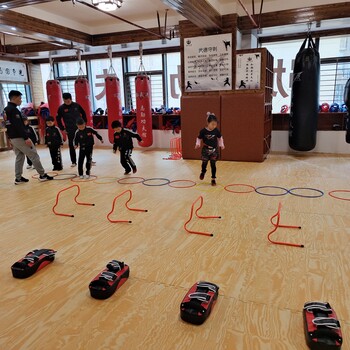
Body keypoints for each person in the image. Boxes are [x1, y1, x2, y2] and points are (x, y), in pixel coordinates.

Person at [4, 90, 53, 184]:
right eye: (19, 98)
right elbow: (18, 125)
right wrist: (26, 138)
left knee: (20, 156)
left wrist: (10, 138)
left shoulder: (6, 109)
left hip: (13, 138)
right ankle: (42, 175)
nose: (21, 100)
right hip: (19, 137)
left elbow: (8, 125)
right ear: (14, 98)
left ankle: (18, 178)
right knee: (33, 155)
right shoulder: (13, 110)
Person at [56, 92, 87, 167]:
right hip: (70, 129)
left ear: (71, 99)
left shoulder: (76, 105)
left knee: (85, 143)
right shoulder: (61, 108)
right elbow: (58, 119)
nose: (67, 102)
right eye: (65, 101)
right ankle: (73, 161)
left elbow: (84, 113)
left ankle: (89, 158)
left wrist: (84, 123)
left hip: (80, 128)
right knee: (72, 145)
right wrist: (62, 128)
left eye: (68, 101)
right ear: (63, 100)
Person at [195, 113, 225, 186]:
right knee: (204, 163)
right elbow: (199, 138)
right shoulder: (203, 131)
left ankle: (213, 179)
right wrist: (197, 144)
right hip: (205, 150)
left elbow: (220, 138)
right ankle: (203, 171)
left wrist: (221, 144)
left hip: (214, 150)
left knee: (213, 164)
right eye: (212, 124)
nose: (214, 126)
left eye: (215, 124)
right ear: (208, 123)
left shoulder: (216, 130)